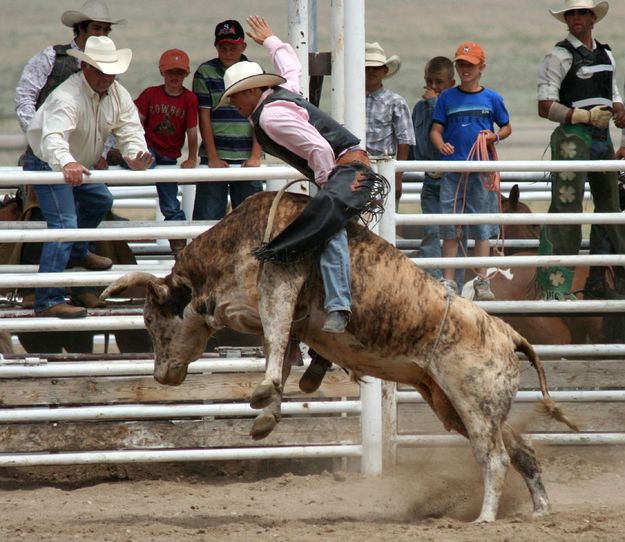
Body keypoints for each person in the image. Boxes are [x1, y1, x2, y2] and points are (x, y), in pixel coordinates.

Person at [218, 15, 388, 390]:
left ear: (249, 93)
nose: (234, 105)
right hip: (349, 165)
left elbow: (318, 147)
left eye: (234, 98)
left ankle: (340, 307)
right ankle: (321, 339)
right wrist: (272, 41)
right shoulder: (281, 98)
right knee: (318, 227)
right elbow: (292, 69)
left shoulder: (272, 115)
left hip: (344, 169)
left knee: (324, 226)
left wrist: (326, 187)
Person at [25, 36, 153, 319]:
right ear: (85, 67)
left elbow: (130, 131)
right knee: (64, 223)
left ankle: (77, 251)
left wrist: (135, 155)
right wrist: (67, 161)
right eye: (100, 71)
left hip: (76, 164)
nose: (107, 77)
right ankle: (47, 299)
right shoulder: (67, 96)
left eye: (111, 71)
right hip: (49, 163)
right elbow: (54, 138)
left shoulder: (117, 94)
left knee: (100, 199)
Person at [536, 0, 625, 300]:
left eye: (580, 12)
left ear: (591, 17)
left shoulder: (606, 53)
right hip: (573, 138)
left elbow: (613, 92)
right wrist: (583, 116)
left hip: (602, 138)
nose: (575, 17)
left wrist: (619, 110)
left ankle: (605, 276)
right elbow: (545, 105)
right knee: (567, 208)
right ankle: (556, 285)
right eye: (571, 13)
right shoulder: (558, 55)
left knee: (610, 207)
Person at [430, 41, 511, 301]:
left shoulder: (492, 98)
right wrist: (440, 145)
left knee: (481, 225)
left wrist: (494, 137)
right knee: (451, 224)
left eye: (471, 65)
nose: (466, 69)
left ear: (481, 68)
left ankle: (481, 280)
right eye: (462, 64)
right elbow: (436, 130)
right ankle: (449, 281)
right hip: (453, 168)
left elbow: (507, 127)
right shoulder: (447, 98)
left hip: (480, 169)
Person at [15, 0, 126, 168]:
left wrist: (102, 152)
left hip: (88, 159)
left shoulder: (110, 67)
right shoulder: (50, 57)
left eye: (106, 30)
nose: (102, 34)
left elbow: (113, 113)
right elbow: (25, 99)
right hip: (48, 157)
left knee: (101, 196)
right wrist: (42, 140)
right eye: (97, 28)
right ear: (81, 28)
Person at [192, 19, 263, 220]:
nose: (228, 51)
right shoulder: (205, 73)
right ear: (216, 46)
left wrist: (255, 155)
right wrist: (213, 156)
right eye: (223, 46)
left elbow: (262, 117)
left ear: (243, 46)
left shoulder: (255, 73)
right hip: (215, 155)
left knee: (251, 221)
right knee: (209, 220)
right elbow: (203, 116)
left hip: (247, 156)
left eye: (233, 46)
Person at [135, 48, 199, 256]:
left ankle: (179, 249)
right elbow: (137, 123)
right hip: (149, 149)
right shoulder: (150, 94)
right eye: (171, 72)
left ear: (186, 74)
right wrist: (135, 147)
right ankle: (120, 156)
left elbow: (192, 130)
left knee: (171, 203)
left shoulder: (189, 99)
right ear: (162, 72)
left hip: (170, 156)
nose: (175, 77)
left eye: (179, 73)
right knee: (141, 165)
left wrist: (191, 158)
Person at [408, 56, 466, 287]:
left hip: (451, 178)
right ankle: (433, 279)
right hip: (430, 177)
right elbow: (413, 140)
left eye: (438, 82)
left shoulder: (456, 106)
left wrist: (434, 104)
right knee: (431, 229)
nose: (432, 87)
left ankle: (455, 282)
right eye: (429, 81)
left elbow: (445, 131)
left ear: (450, 83)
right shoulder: (419, 108)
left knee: (453, 231)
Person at [364, 42, 415, 206]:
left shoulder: (395, 102)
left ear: (384, 71)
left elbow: (404, 140)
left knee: (384, 213)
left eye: (376, 68)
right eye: (367, 67)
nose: (371, 71)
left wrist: (398, 177)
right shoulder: (350, 99)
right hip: (357, 165)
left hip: (383, 164)